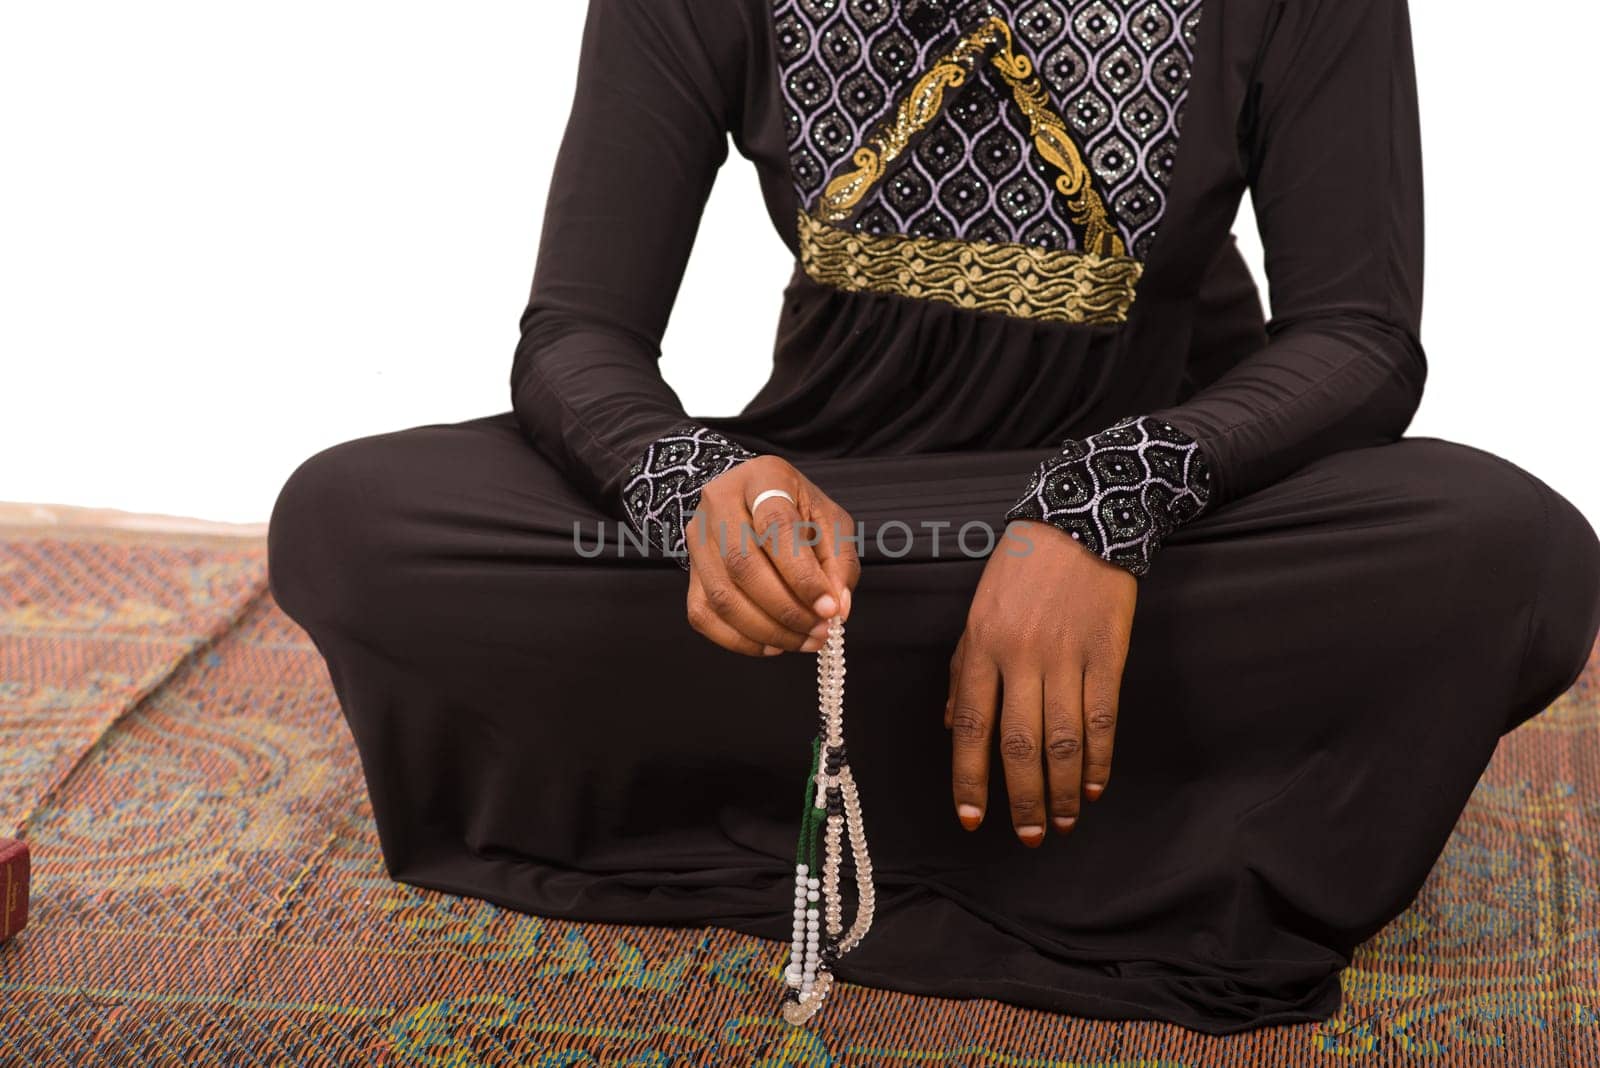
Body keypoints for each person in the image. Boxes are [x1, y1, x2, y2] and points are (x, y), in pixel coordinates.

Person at [266, 0, 1600, 1034]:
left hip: (1163, 538)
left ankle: (800, 779)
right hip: (845, 518)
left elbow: (1359, 338)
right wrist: (698, 491)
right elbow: (576, 336)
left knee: (1506, 554)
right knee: (357, 522)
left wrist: (1107, 501)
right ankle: (1090, 807)